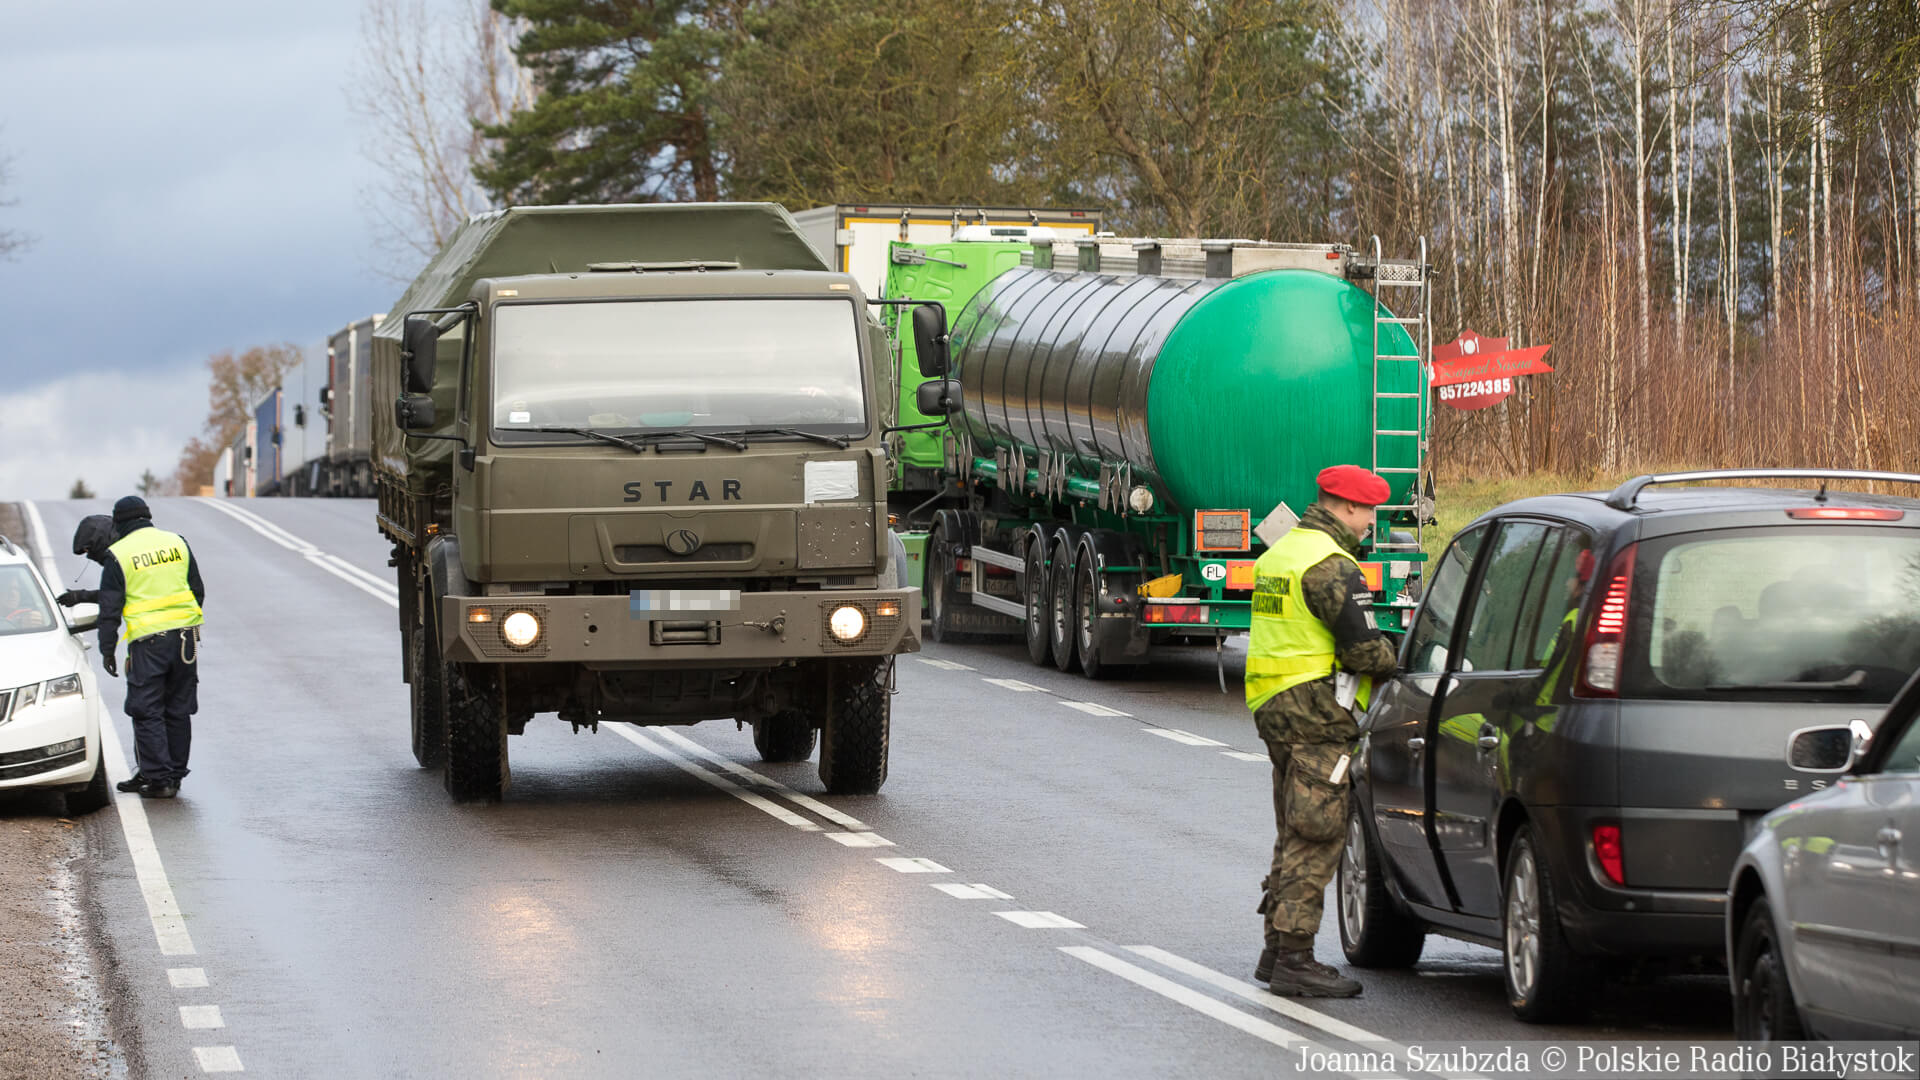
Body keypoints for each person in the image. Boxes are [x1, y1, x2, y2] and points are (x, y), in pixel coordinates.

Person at [1246, 465, 1400, 998]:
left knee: (1294, 825)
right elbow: (1364, 651)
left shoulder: (1284, 552)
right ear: (1349, 508)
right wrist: (1398, 653)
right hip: (1316, 713)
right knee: (1318, 832)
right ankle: (1295, 959)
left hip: (1273, 704)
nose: (1372, 523)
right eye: (1370, 512)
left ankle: (1274, 951)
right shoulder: (1331, 566)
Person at [96, 496, 204, 799]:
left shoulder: (118, 554)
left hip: (149, 644)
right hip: (186, 640)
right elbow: (197, 590)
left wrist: (107, 650)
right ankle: (175, 774)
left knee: (147, 711)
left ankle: (159, 780)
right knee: (179, 709)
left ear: (120, 522)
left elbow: (109, 610)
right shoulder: (177, 543)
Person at [53, 514, 116, 607]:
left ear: (99, 542)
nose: (90, 556)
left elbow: (117, 595)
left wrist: (80, 596)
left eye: (89, 550)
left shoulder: (120, 559)